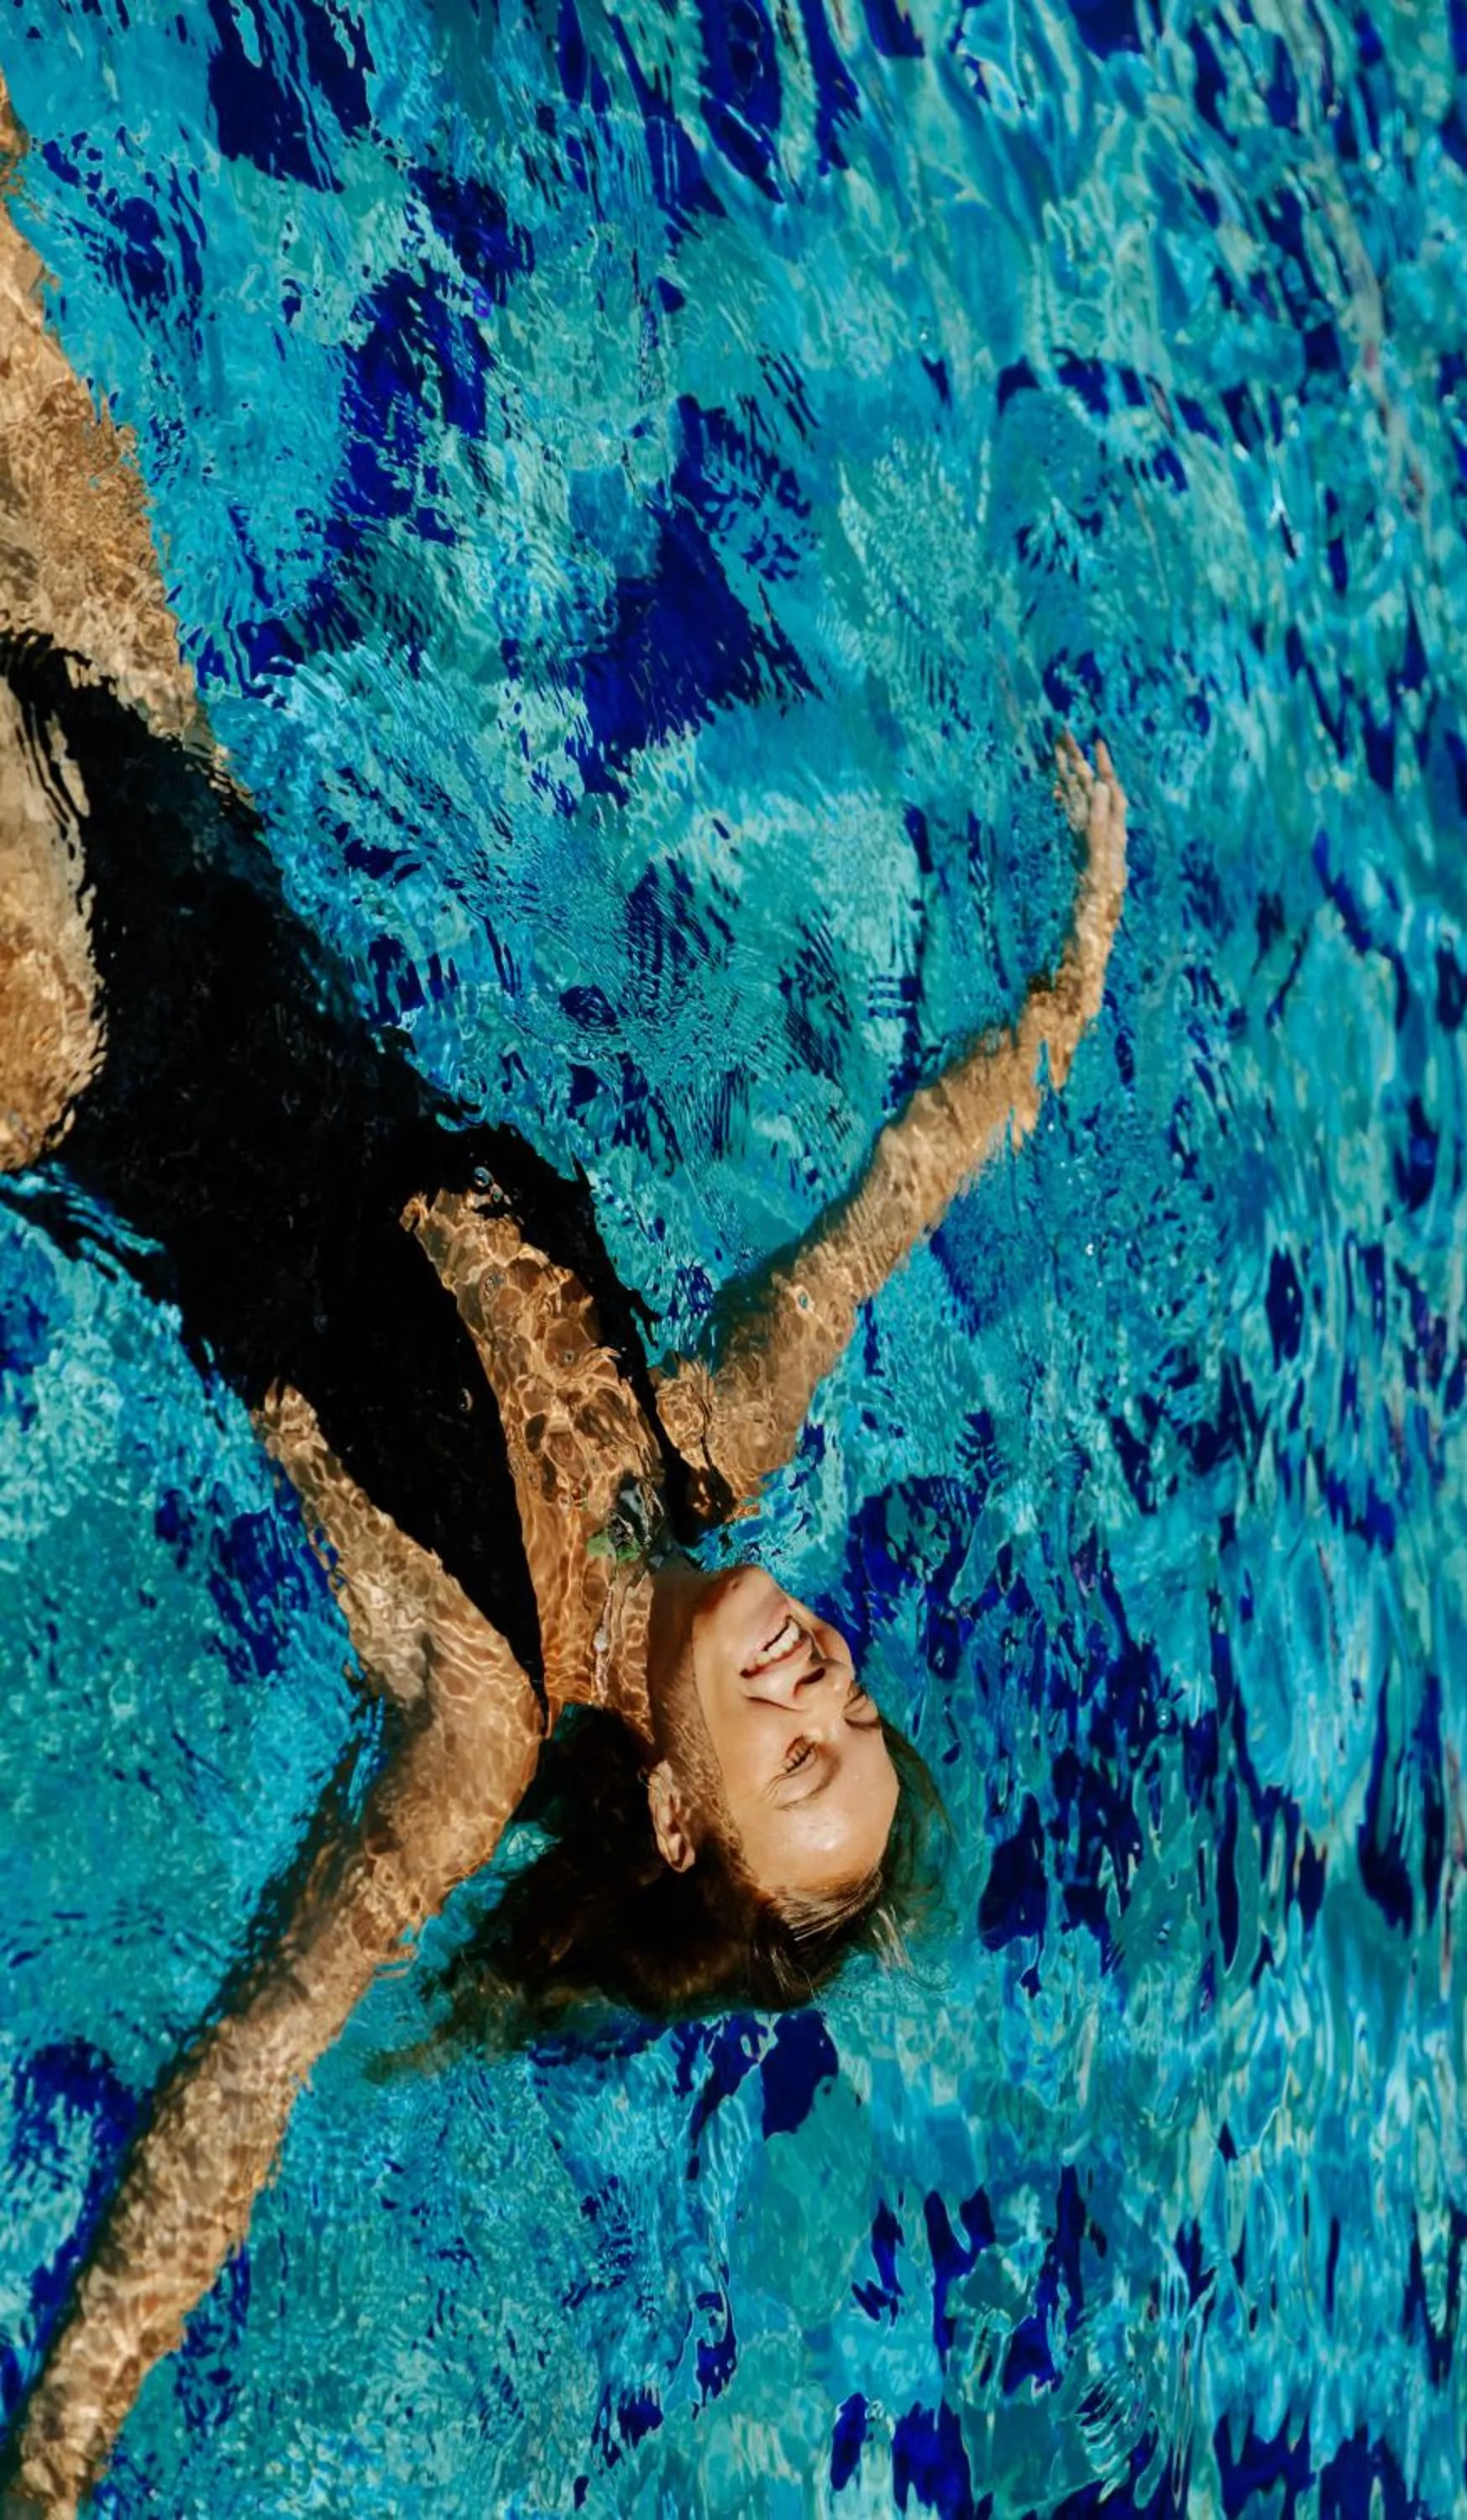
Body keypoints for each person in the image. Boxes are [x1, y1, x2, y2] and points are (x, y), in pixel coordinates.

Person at [0, 168, 1128, 2520]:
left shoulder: (475, 1714)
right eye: (862, 1715)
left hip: (72, 1027)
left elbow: (253, 2068)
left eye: (802, 1761)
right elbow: (889, 1205)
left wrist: (56, 2458)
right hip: (179, 802)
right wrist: (1064, 996)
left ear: (676, 1818)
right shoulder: (702, 1442)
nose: (830, 1685)